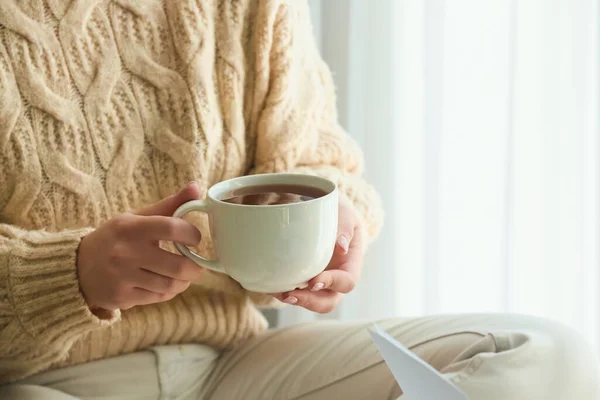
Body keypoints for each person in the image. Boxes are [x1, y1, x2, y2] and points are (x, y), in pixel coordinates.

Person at [0, 1, 597, 399]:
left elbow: (317, 161)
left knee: (544, 359)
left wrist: (334, 224)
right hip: (51, 380)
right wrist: (68, 275)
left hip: (236, 365)